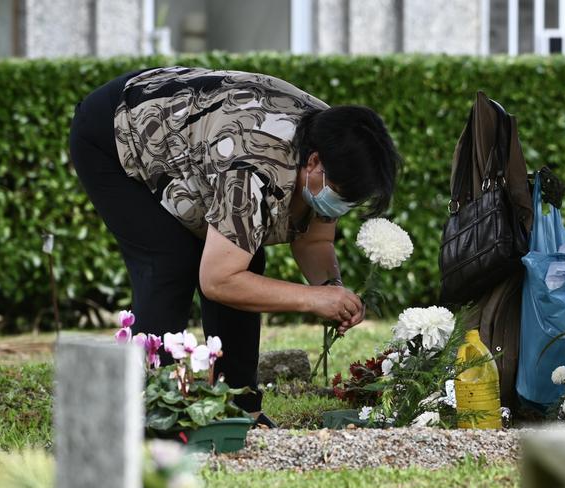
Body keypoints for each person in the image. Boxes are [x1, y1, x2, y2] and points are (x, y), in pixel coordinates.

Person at [69, 66, 402, 413]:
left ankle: (241, 408)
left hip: (198, 140)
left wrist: (332, 288)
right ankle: (150, 408)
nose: (340, 206)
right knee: (170, 262)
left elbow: (314, 242)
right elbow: (218, 281)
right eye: (340, 195)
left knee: (244, 254)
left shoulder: (333, 146)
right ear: (314, 161)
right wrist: (312, 299)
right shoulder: (255, 167)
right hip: (117, 131)